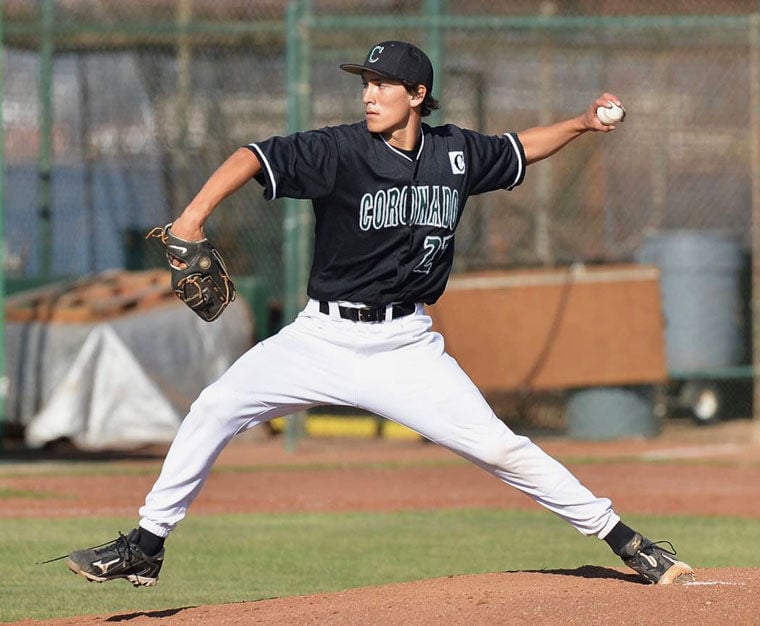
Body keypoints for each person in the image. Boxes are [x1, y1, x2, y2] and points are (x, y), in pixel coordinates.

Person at [66, 41, 694, 587]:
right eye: (365, 84)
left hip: (406, 346)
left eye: (383, 85)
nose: (369, 96)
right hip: (322, 336)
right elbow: (251, 157)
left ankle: (627, 543)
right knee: (215, 408)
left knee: (502, 449)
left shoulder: (456, 153)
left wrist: (583, 122)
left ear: (418, 94)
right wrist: (191, 219)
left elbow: (519, 149)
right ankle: (146, 547)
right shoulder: (338, 150)